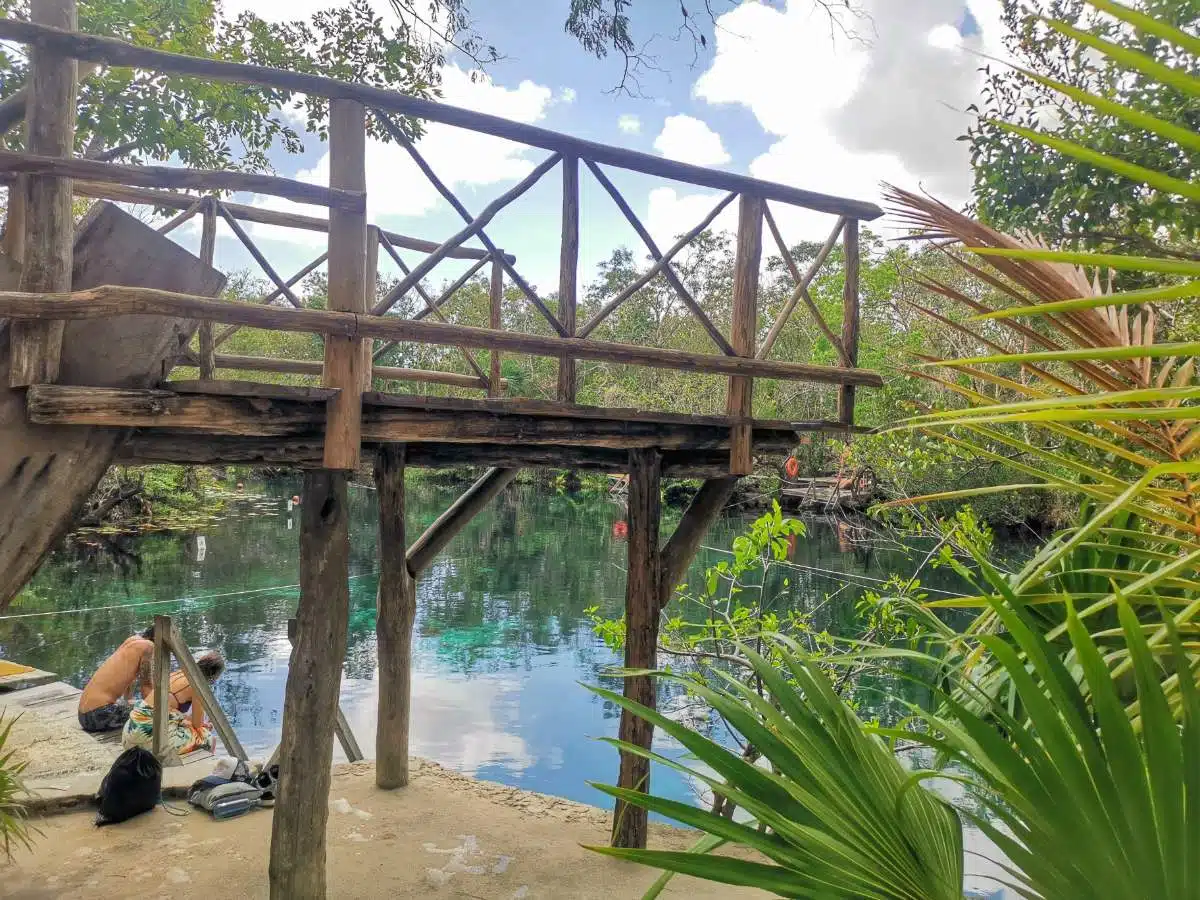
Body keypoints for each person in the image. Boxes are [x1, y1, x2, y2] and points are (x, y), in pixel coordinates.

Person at [122, 650, 226, 760]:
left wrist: (186, 720)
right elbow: (198, 724)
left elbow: (169, 709)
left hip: (130, 733)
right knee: (206, 737)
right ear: (214, 675)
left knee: (186, 723)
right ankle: (205, 763)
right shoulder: (198, 686)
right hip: (144, 740)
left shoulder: (178, 673)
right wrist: (205, 725)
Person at [77, 625, 156, 733]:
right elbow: (146, 687)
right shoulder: (148, 646)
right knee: (149, 715)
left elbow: (130, 677)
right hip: (98, 715)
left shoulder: (133, 640)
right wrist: (157, 712)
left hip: (83, 715)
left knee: (136, 706)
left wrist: (128, 700)